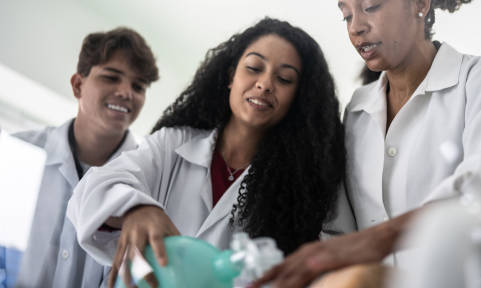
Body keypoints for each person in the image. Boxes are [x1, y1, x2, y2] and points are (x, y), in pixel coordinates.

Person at [254, 0, 481, 288]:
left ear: (420, 2)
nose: (356, 27)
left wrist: (379, 238)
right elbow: (341, 228)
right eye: (346, 16)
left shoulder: (477, 80)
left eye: (370, 6)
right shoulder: (358, 110)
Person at [66, 18, 354, 287]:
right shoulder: (172, 145)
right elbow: (89, 192)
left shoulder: (301, 189)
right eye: (254, 68)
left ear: (297, 98)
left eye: (285, 79)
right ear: (231, 76)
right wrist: (136, 209)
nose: (265, 84)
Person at [1, 27, 159, 288]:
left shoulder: (150, 181)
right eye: (111, 77)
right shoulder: (18, 152)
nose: (126, 92)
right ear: (77, 85)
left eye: (138, 86)